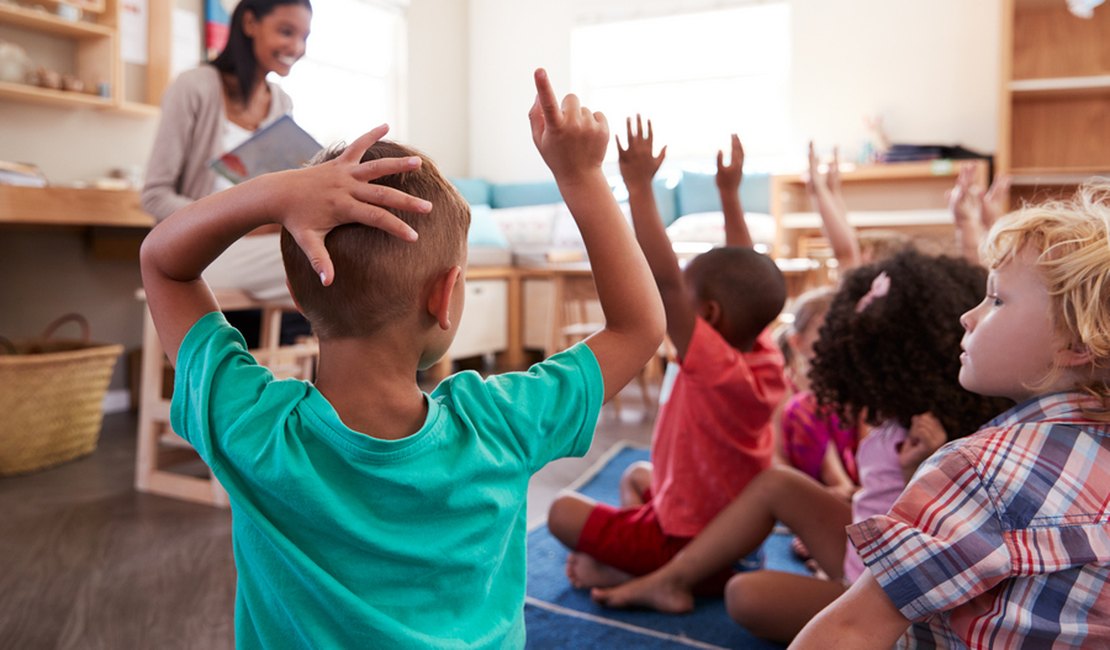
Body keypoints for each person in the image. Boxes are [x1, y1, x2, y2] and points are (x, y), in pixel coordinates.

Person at [138, 69, 665, 648]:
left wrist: (278, 191)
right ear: (446, 296)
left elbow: (163, 262)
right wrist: (583, 177)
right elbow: (639, 328)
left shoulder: (254, 430)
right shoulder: (502, 423)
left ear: (299, 291)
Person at [592, 250, 1012, 645]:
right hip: (872, 543)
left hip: (886, 591)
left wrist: (914, 475)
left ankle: (669, 576)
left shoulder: (939, 433)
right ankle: (670, 578)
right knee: (776, 483)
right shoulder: (904, 408)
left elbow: (935, 549)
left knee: (745, 595)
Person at [793, 183, 1110, 649]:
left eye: (997, 300)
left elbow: (851, 629)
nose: (968, 316)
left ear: (1077, 344)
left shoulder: (979, 469)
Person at [547, 115, 788, 594]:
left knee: (561, 511)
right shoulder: (761, 354)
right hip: (736, 536)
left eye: (690, 300)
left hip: (686, 541)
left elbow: (665, 281)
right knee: (639, 477)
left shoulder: (714, 367)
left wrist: (638, 187)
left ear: (710, 314)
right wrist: (729, 196)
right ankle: (657, 566)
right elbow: (747, 268)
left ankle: (659, 578)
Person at [142, 0, 313, 343]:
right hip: (202, 250)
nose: (296, 47)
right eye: (286, 31)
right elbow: (155, 195)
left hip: (257, 249)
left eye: (304, 37)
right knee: (326, 261)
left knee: (334, 251)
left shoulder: (282, 104)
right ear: (249, 23)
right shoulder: (194, 87)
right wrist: (230, 218)